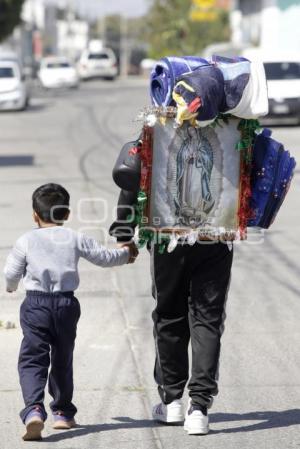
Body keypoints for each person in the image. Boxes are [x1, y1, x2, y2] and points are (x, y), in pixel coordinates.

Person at [110, 141, 233, 436]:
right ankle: (199, 408)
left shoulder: (159, 130)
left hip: (168, 240)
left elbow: (131, 179)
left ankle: (173, 399)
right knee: (208, 319)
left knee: (169, 316)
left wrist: (125, 233)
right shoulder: (227, 128)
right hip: (214, 236)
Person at [3, 183, 138, 441]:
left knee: (33, 357)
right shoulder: (75, 237)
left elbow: (11, 273)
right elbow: (103, 257)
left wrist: (11, 287)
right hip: (66, 305)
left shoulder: (26, 240)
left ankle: (33, 409)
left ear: (34, 215)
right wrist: (125, 253)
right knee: (62, 357)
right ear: (67, 215)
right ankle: (63, 412)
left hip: (35, 305)